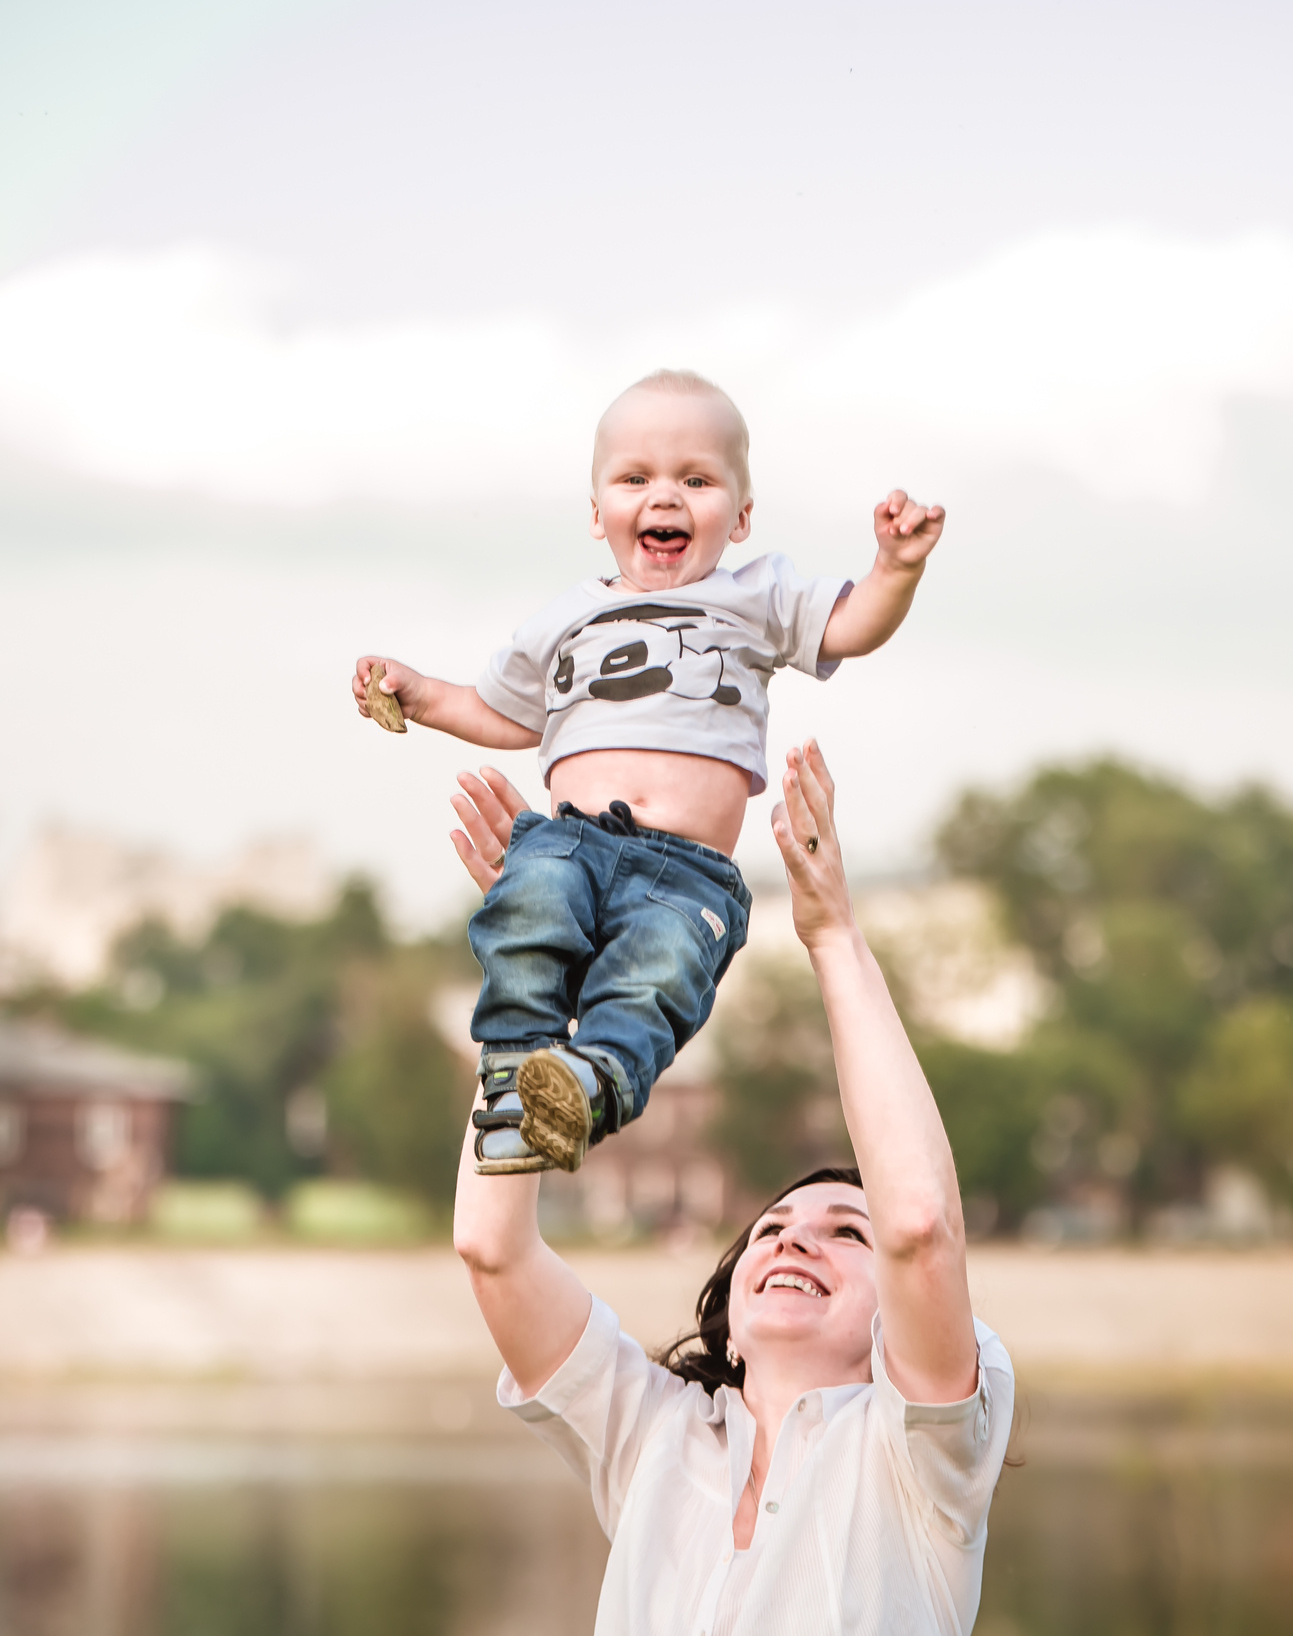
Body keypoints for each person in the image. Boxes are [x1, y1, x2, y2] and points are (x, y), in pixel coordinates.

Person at [448, 737, 1011, 1636]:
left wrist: (830, 936)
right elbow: (488, 1243)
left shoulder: (919, 1459)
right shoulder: (651, 1439)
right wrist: (538, 989)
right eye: (774, 1227)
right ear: (731, 1292)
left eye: (840, 1232)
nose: (798, 1240)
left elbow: (925, 1223)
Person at [354, 368, 944, 1178]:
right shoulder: (565, 617)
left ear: (739, 516)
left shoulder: (755, 595)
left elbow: (850, 625)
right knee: (524, 912)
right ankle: (514, 1075)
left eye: (694, 480)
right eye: (636, 479)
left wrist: (895, 569)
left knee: (656, 981)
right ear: (597, 513)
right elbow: (506, 713)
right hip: (570, 842)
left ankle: (590, 1081)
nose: (664, 498)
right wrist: (421, 696)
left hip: (687, 876)